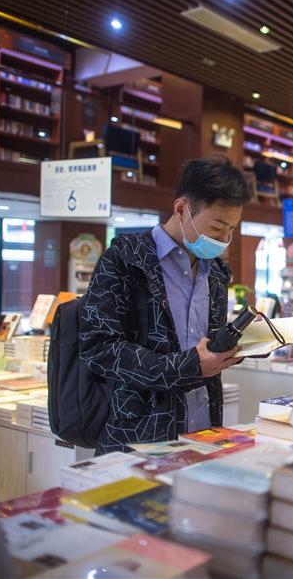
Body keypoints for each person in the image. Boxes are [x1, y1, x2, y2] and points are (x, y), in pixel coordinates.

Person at [80, 157, 252, 454]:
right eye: (217, 227)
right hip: (138, 439)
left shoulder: (217, 274)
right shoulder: (125, 258)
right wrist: (189, 366)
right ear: (181, 208)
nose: (224, 239)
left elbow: (205, 348)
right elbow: (99, 348)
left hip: (204, 433)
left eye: (231, 229)